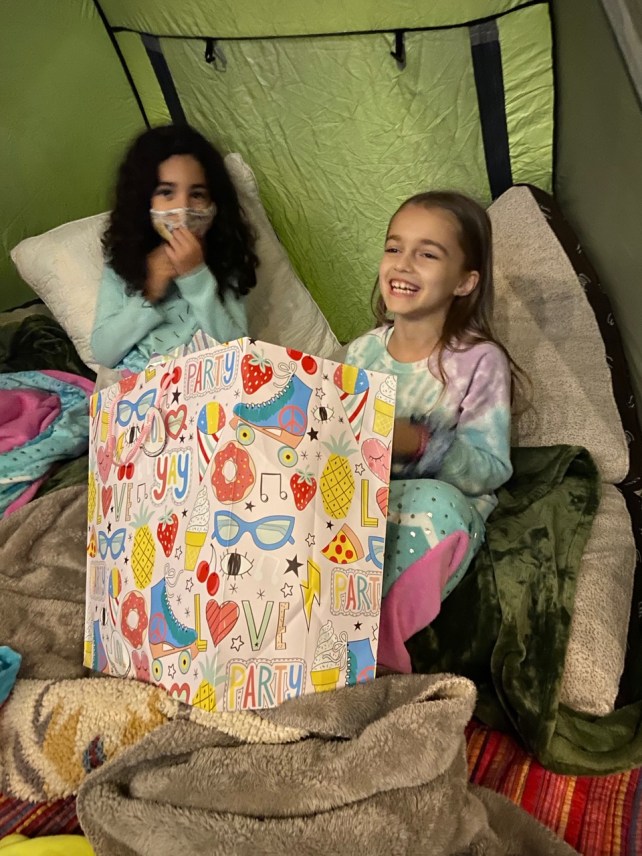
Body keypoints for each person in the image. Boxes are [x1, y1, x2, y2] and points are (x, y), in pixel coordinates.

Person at [346, 190, 520, 673]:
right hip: (367, 508)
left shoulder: (479, 360)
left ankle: (374, 646)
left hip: (436, 514)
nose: (402, 264)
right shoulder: (359, 354)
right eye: (394, 247)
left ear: (465, 281)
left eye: (427, 254)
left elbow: (491, 469)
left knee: (437, 504)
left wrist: (420, 443)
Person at [91, 124, 258, 371]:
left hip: (213, 382)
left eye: (197, 194)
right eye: (167, 192)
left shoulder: (225, 258)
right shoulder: (122, 262)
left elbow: (241, 350)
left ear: (214, 204)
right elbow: (104, 352)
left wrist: (196, 278)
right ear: (143, 200)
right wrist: (149, 291)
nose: (183, 207)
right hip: (145, 386)